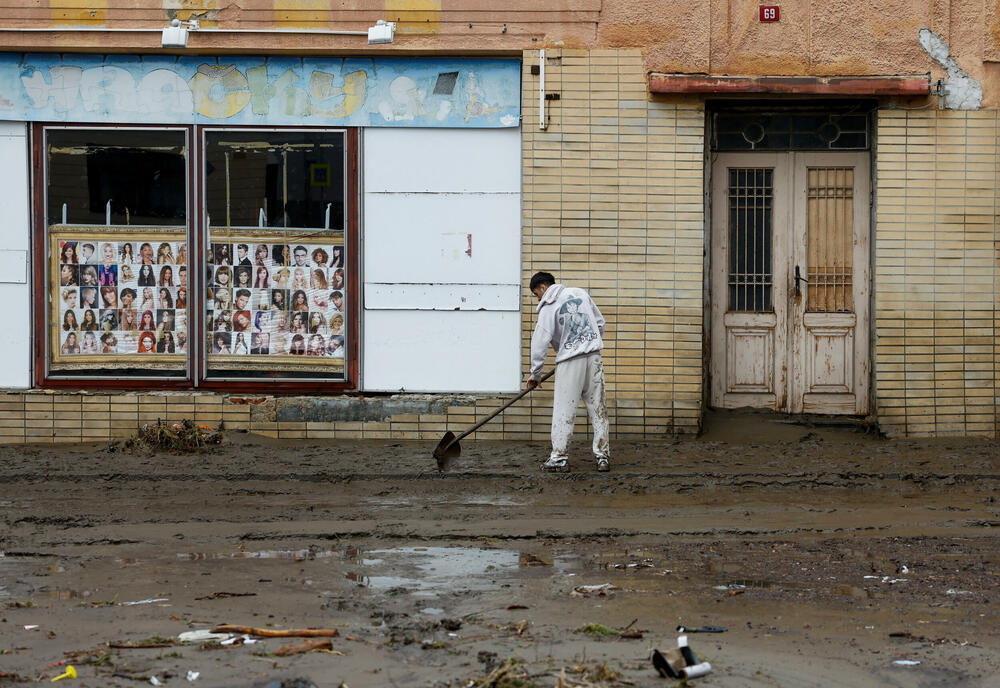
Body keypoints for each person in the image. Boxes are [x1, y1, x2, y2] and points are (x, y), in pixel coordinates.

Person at [526, 271, 610, 473]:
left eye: (536, 293)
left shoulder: (548, 307)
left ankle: (559, 458)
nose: (537, 298)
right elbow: (600, 323)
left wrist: (535, 374)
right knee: (598, 409)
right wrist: (588, 344)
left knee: (564, 410)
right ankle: (602, 457)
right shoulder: (580, 293)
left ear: (543, 288)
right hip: (594, 357)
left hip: (569, 362)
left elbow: (539, 343)